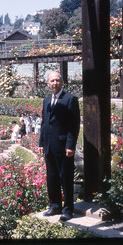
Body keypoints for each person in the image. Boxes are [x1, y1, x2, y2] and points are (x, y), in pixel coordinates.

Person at [36, 71, 80, 221]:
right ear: (48, 84)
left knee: (65, 178)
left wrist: (70, 146)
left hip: (63, 147)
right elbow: (44, 123)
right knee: (52, 178)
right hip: (49, 145)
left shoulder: (70, 99)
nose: (55, 83)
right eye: (52, 81)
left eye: (57, 80)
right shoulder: (46, 100)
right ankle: (55, 206)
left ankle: (68, 209)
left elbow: (73, 125)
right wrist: (41, 142)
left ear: (62, 82)